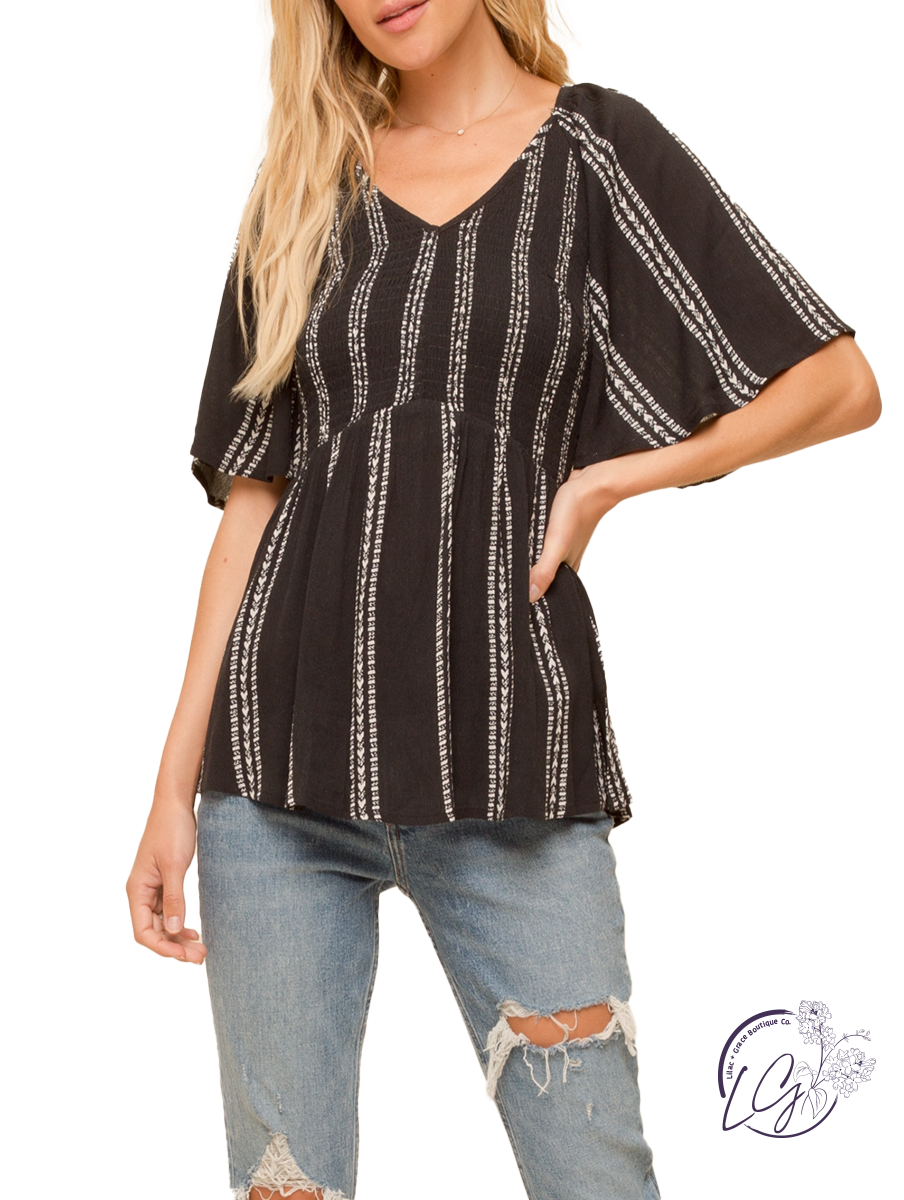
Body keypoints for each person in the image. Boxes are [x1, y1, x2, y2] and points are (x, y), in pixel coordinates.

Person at [126, 1, 881, 1197]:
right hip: (272, 778)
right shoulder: (305, 185)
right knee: (282, 1186)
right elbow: (253, 502)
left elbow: (836, 384)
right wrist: (172, 791)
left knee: (595, 1174)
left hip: (509, 759)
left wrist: (615, 479)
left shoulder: (595, 150)